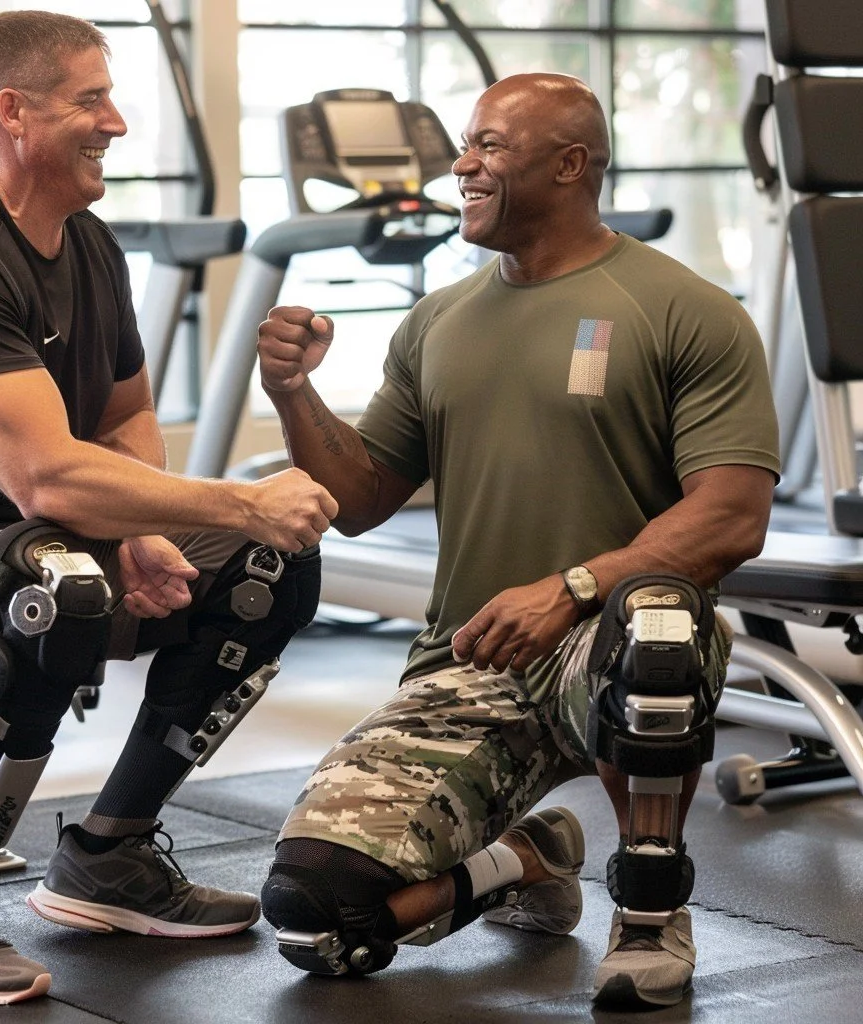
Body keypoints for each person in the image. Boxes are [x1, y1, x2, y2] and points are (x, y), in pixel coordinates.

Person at [0, 10, 337, 1007]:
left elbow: (125, 414)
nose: (116, 121)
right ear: (14, 112)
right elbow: (48, 481)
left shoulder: (91, 246)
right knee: (47, 578)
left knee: (263, 567)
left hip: (13, 541)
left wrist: (144, 526)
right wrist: (240, 500)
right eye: (91, 100)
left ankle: (109, 855)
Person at [255, 72, 779, 1009]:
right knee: (316, 916)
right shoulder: (438, 320)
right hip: (474, 659)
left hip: (606, 641)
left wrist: (572, 587)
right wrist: (295, 395)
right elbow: (361, 497)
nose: (462, 165)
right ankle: (525, 860)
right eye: (466, 144)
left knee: (659, 623)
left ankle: (651, 908)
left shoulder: (686, 310)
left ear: (570, 165)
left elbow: (733, 514)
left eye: (489, 145)